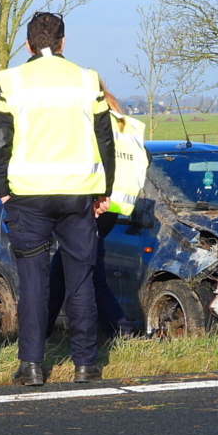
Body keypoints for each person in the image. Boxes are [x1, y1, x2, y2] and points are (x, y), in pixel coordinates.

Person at [0, 11, 115, 386]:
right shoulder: (86, 79)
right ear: (63, 42)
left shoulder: (11, 81)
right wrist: (102, 189)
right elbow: (105, 137)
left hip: (27, 196)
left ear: (27, 44)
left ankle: (30, 366)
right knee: (80, 280)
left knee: (33, 283)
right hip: (77, 193)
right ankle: (86, 364)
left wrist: (1, 191)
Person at [46, 84, 148, 338]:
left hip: (92, 203)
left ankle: (120, 331)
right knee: (64, 271)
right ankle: (43, 332)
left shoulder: (88, 120)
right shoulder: (120, 121)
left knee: (87, 273)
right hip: (111, 206)